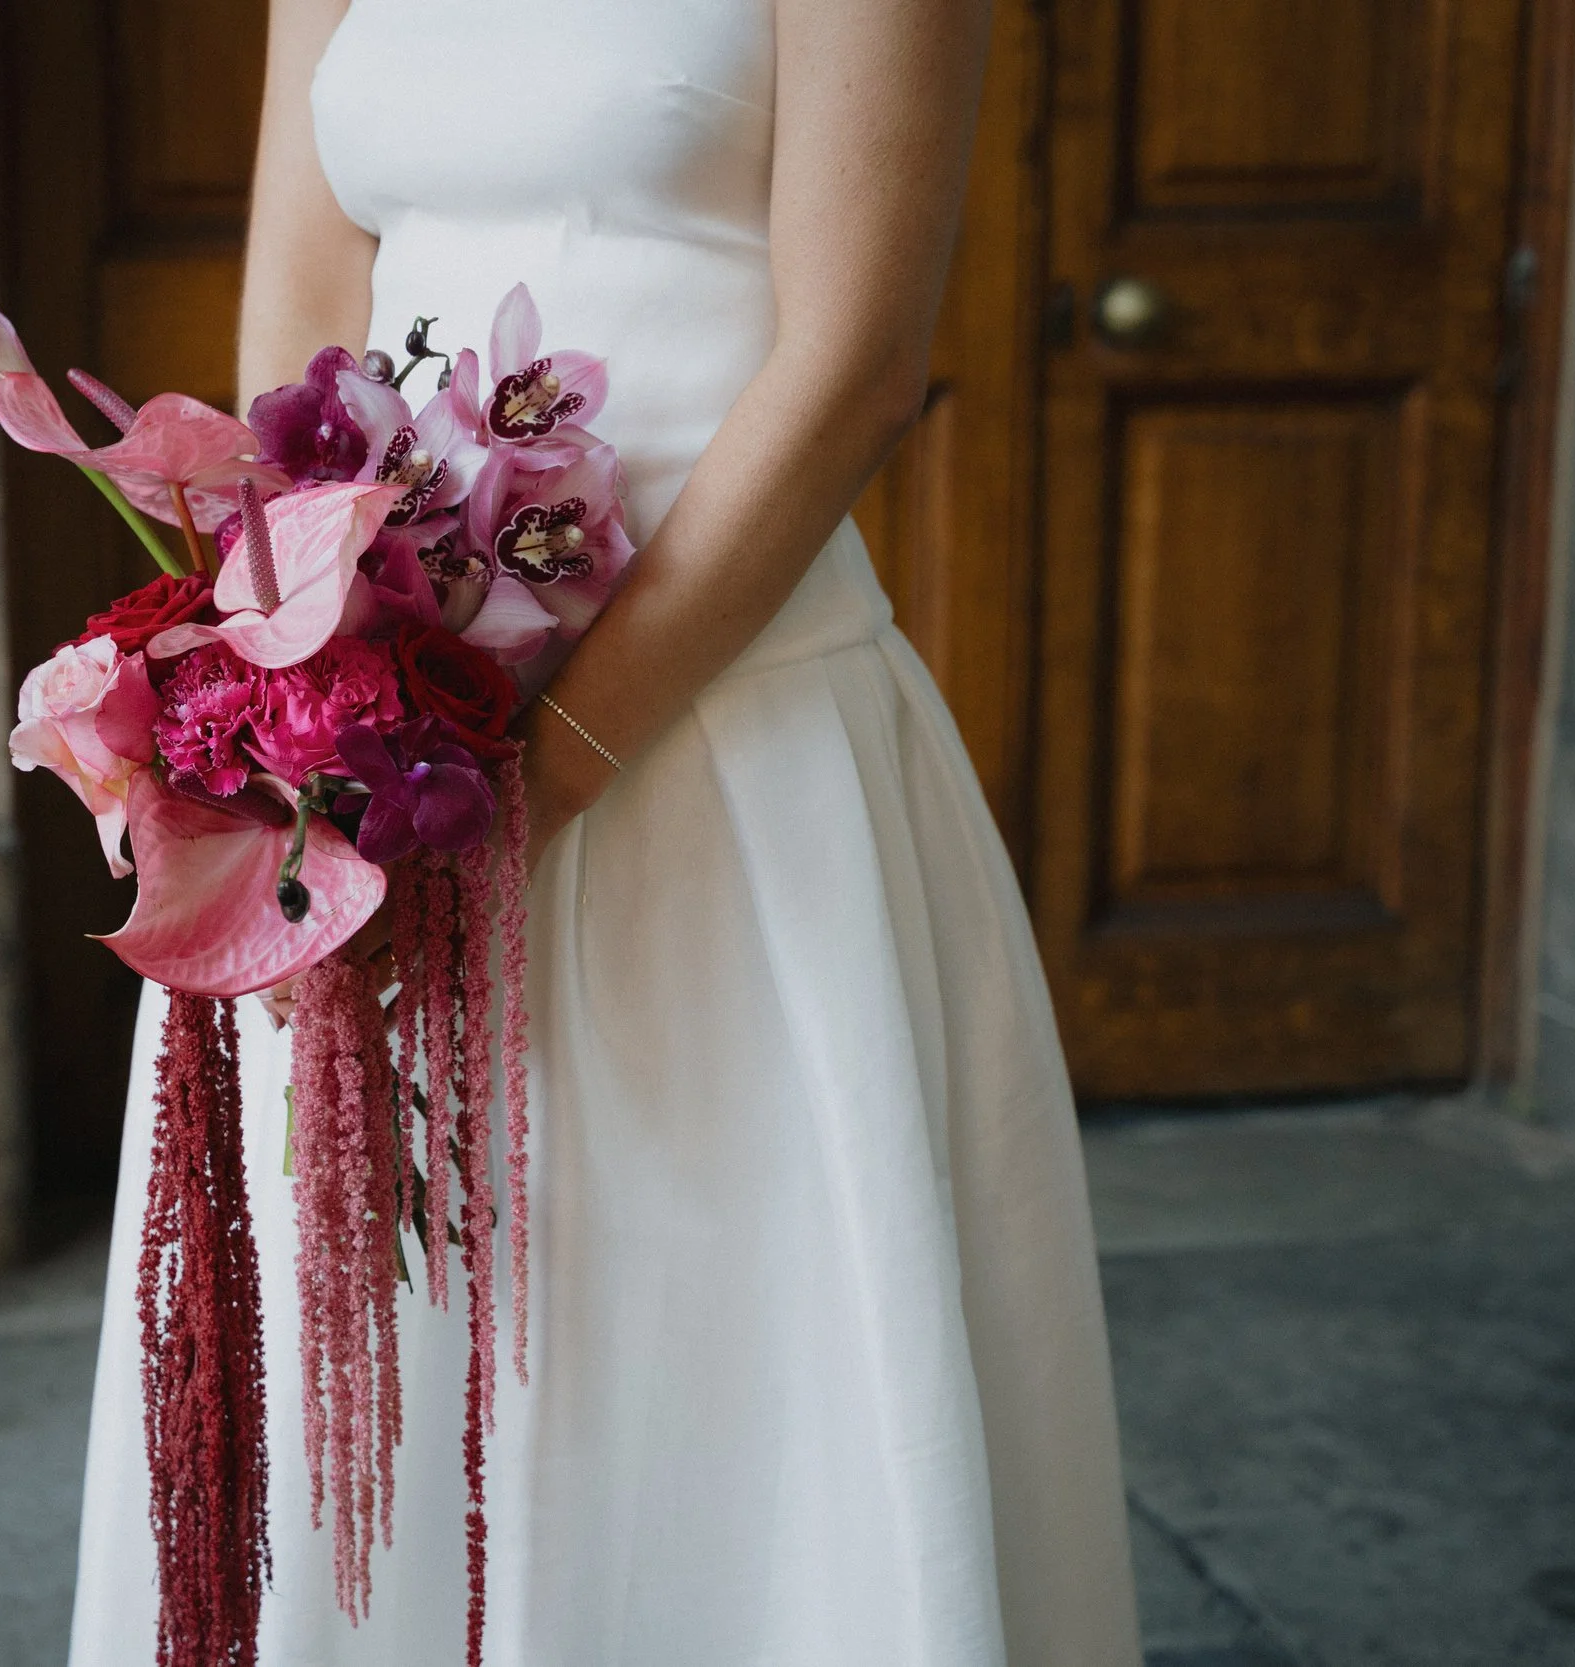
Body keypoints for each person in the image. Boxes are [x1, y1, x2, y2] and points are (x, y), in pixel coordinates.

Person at [69, 0, 1143, 1660]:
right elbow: (298, 308)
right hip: (378, 769)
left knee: (720, 1378)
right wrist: (296, 706)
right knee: (378, 1378)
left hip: (721, 750)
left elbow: (855, 366)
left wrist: (533, 776)